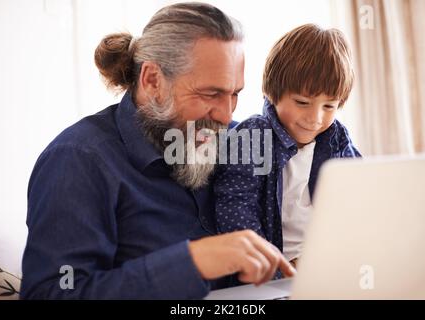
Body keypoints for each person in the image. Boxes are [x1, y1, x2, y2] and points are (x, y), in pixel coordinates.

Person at [21, 2, 294, 300]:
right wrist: (193, 261)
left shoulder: (238, 143)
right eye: (211, 93)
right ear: (152, 80)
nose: (226, 116)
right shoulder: (78, 160)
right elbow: (54, 292)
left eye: (235, 94)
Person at [215, 24, 362, 271]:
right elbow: (236, 207)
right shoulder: (254, 135)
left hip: (327, 263)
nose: (315, 118)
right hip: (272, 270)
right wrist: (271, 267)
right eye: (302, 102)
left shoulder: (336, 137)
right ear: (273, 92)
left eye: (329, 106)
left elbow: (361, 192)